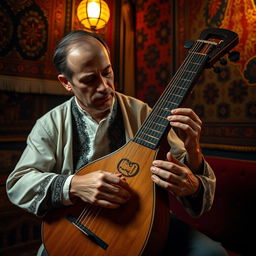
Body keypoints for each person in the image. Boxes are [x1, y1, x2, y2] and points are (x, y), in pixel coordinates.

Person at [6, 30, 228, 256]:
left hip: (144, 222)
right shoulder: (50, 124)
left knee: (212, 253)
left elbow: (187, 177)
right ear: (66, 82)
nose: (104, 87)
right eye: (90, 79)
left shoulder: (144, 113)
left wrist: (194, 155)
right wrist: (75, 185)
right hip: (74, 228)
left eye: (107, 73)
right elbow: (18, 183)